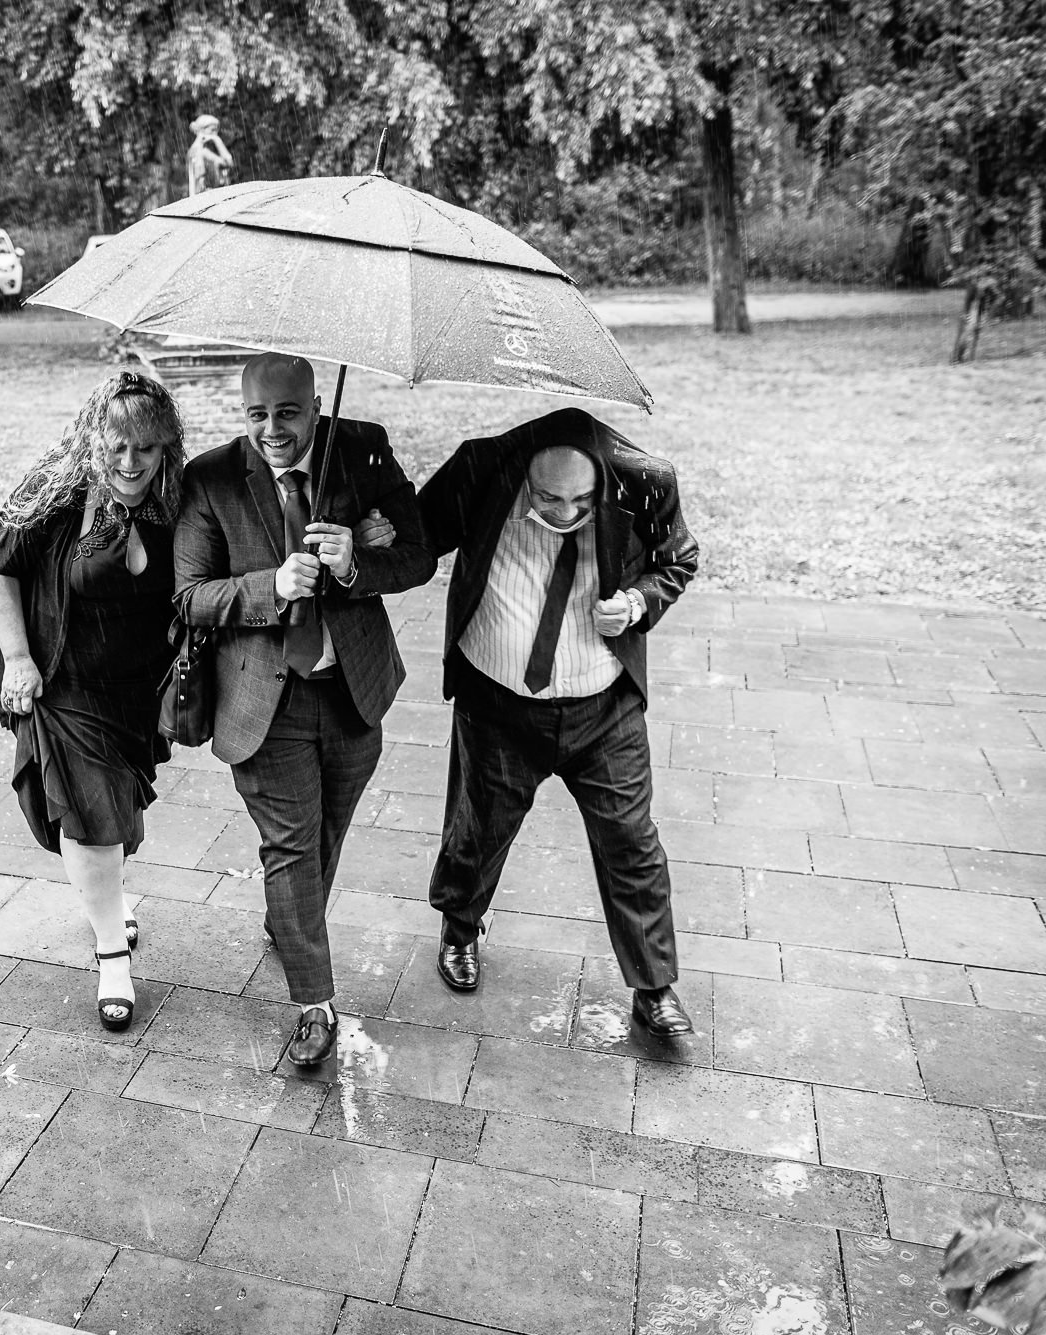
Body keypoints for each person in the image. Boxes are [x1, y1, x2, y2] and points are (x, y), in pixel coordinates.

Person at [173, 353, 434, 1066]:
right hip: (265, 697)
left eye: (286, 413)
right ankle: (314, 1003)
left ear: (315, 405)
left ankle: (288, 918)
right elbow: (190, 595)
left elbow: (418, 556)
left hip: (354, 689)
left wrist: (355, 564)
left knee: (323, 834)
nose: (271, 429)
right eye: (256, 414)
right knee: (290, 845)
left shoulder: (363, 448)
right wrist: (269, 585)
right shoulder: (212, 476)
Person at [412, 407, 700, 1035]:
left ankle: (654, 987)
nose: (566, 513)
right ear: (524, 478)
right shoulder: (482, 468)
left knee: (631, 838)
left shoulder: (644, 480)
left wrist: (637, 603)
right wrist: (369, 540)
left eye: (580, 501)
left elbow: (677, 559)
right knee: (480, 825)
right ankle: (460, 929)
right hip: (498, 698)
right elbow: (416, 537)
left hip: (603, 702)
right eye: (548, 498)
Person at [0, 372, 187, 1032]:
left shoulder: (179, 496)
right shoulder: (55, 488)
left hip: (137, 692)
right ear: (96, 436)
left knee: (118, 819)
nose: (130, 464)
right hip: (66, 684)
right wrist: (16, 658)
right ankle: (112, 957)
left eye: (146, 449)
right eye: (117, 446)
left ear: (167, 447)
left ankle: (109, 900)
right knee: (90, 815)